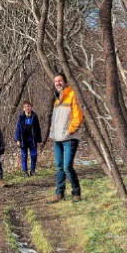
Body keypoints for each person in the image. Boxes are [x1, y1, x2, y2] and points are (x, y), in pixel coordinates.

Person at [47, 73, 82, 202]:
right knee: (59, 166)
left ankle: (76, 192)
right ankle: (59, 193)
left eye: (60, 80)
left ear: (65, 82)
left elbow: (78, 116)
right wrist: (53, 132)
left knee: (67, 167)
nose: (58, 83)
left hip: (69, 138)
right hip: (57, 139)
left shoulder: (72, 95)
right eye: (55, 81)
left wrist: (69, 131)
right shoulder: (57, 100)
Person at [14, 100, 44, 176]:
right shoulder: (21, 117)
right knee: (24, 155)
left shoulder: (34, 116)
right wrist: (17, 139)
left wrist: (39, 140)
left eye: (28, 106)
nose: (27, 108)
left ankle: (32, 171)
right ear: (23, 108)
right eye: (25, 107)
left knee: (34, 155)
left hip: (32, 139)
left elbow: (38, 128)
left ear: (31, 107)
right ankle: (25, 172)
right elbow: (18, 128)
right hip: (23, 139)